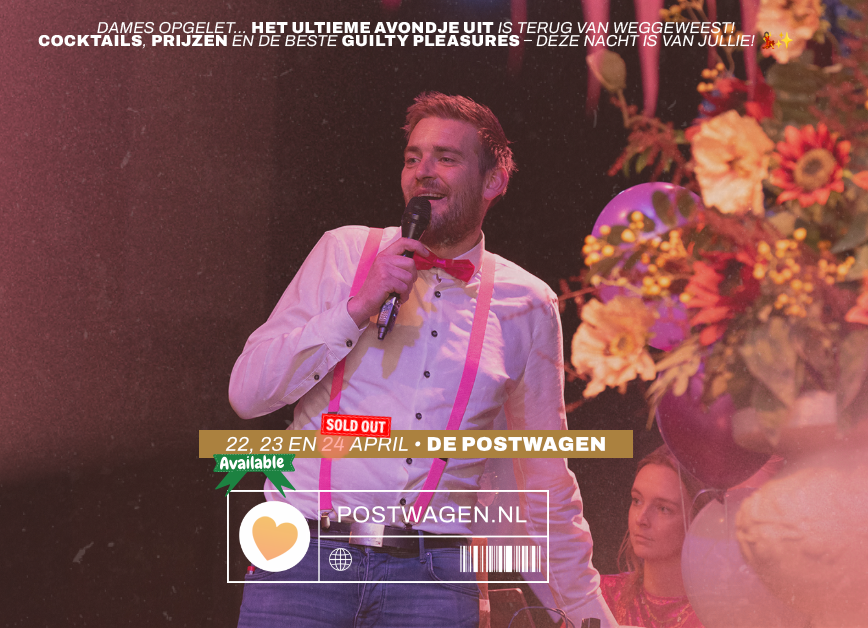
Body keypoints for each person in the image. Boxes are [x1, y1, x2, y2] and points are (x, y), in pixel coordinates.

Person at [229, 92, 616, 627]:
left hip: (435, 580)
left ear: (493, 182)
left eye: (446, 158)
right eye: (413, 158)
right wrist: (354, 309)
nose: (422, 172)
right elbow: (247, 394)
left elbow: (546, 478)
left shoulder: (528, 303)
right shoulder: (344, 252)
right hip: (305, 556)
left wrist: (585, 611)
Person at [600, 446, 710, 628]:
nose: (641, 519)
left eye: (663, 508)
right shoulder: (600, 597)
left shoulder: (718, 616)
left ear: (697, 519)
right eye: (637, 500)